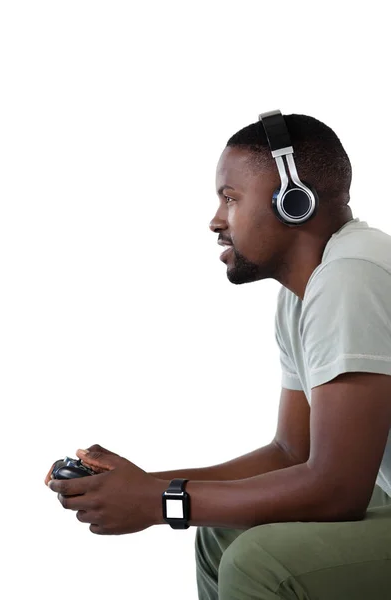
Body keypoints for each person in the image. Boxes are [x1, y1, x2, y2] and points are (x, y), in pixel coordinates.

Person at [45, 113, 391, 599]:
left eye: (230, 198)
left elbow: (339, 491)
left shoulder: (351, 276)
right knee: (222, 532)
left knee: (259, 563)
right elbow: (293, 454)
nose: (215, 219)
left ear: (294, 202)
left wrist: (161, 504)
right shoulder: (305, 292)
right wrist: (144, 485)